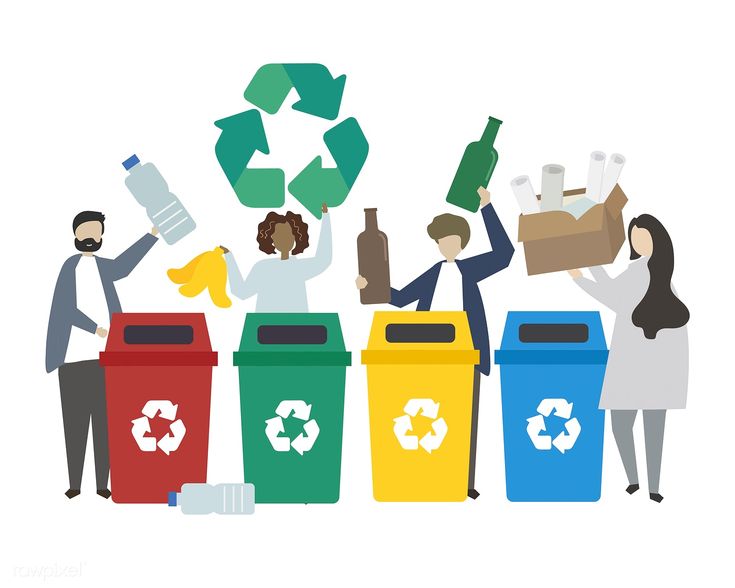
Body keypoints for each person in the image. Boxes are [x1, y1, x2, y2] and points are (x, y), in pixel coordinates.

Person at [356, 187, 514, 498]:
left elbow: (504, 255)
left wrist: (487, 208)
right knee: (426, 415)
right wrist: (371, 286)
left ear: (461, 243)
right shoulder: (433, 273)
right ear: (438, 244)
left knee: (465, 418)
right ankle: (423, 472)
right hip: (426, 355)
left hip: (465, 354)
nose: (447, 246)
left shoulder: (470, 269)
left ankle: (465, 482)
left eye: (453, 241)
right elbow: (401, 298)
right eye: (443, 241)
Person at [569, 214, 689, 503]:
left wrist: (580, 277)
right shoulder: (644, 270)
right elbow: (614, 290)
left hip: (640, 364)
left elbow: (611, 296)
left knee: (640, 427)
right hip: (641, 364)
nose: (637, 241)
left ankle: (649, 485)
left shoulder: (649, 272)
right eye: (634, 236)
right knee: (632, 426)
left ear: (657, 240)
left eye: (643, 236)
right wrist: (590, 266)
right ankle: (640, 482)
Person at [46, 211, 159, 499]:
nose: (90, 237)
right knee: (75, 424)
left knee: (106, 423)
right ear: (75, 236)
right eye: (85, 231)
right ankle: (74, 484)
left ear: (100, 238)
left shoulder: (102, 268)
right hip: (72, 359)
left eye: (95, 232)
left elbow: (124, 266)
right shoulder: (69, 268)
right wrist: (93, 327)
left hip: (108, 359)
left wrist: (152, 235)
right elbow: (64, 308)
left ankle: (101, 485)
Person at [221, 203, 332, 312]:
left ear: (296, 236)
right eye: (279, 235)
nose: (285, 238)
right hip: (265, 326)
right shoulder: (262, 268)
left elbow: (323, 259)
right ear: (271, 238)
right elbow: (241, 292)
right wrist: (229, 257)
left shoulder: (299, 267)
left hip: (296, 326)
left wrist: (326, 217)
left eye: (288, 234)